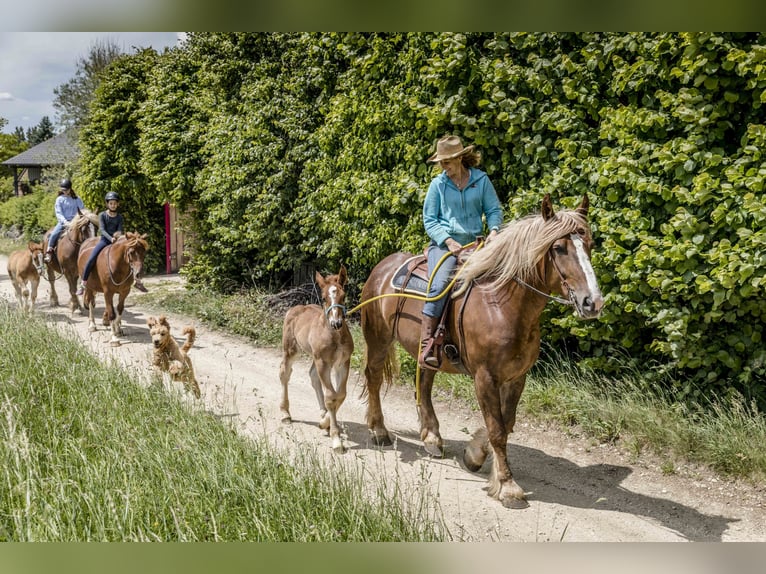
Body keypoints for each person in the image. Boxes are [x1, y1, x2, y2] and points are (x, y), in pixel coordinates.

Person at [420, 135, 503, 369]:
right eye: (441, 162)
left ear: (459, 158)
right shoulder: (437, 185)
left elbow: (494, 210)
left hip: (477, 245)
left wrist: (494, 231)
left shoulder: (481, 180)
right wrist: (447, 240)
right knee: (438, 286)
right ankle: (428, 343)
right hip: (445, 246)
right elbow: (430, 220)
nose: (443, 166)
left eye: (446, 161)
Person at [77, 191, 148, 295]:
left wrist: (118, 236)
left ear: (117, 204)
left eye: (115, 203)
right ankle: (83, 283)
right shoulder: (102, 215)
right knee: (91, 258)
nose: (113, 205)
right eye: (111, 203)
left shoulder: (119, 217)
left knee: (130, 257)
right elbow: (102, 230)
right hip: (105, 240)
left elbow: (119, 229)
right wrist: (111, 238)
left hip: (116, 241)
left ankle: (137, 281)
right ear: (107, 204)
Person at [44, 178, 85, 262]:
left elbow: (82, 210)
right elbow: (59, 213)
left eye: (66, 190)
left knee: (86, 232)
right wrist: (65, 222)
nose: (64, 192)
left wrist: (78, 220)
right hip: (63, 222)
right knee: (54, 234)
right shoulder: (59, 199)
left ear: (70, 189)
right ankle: (49, 252)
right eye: (63, 190)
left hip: (76, 222)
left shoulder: (77, 199)